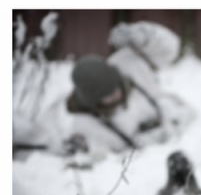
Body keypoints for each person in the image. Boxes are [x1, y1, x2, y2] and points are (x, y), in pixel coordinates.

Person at [64, 21, 194, 156]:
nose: (116, 94)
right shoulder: (87, 124)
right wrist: (81, 148)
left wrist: (147, 36)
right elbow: (94, 155)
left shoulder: (127, 65)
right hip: (146, 165)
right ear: (94, 101)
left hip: (185, 124)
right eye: (107, 95)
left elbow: (170, 49)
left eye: (116, 87)